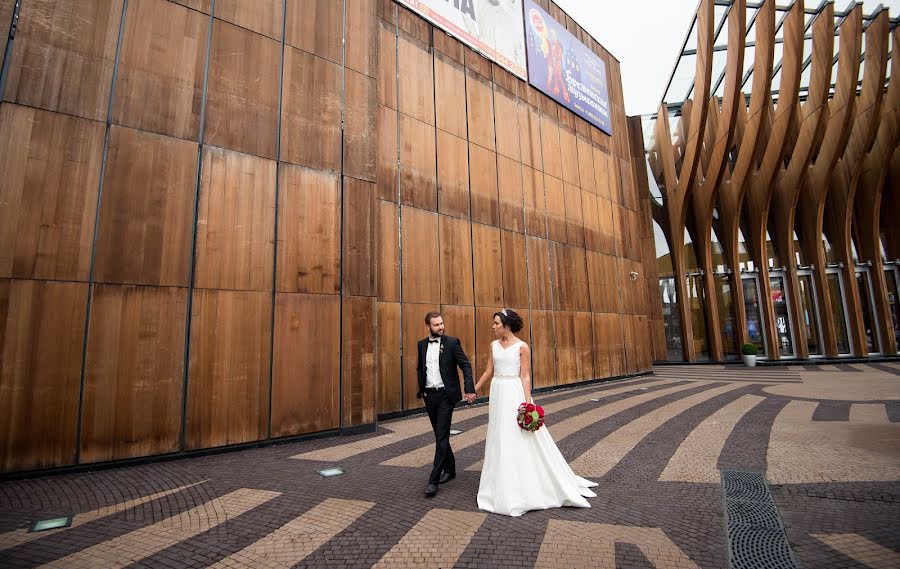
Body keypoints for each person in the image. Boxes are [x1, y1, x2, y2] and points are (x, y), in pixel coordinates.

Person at [473, 309, 597, 517]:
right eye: (493, 323)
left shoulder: (522, 347)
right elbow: (488, 371)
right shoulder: (493, 346)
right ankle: (499, 480)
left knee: (516, 434)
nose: (493, 327)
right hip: (498, 392)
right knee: (499, 435)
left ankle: (522, 481)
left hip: (514, 392)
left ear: (507, 325)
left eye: (496, 323)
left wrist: (528, 403)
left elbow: (525, 375)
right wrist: (473, 390)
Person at [417, 311, 476, 498]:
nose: (441, 327)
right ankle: (450, 469)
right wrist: (423, 390)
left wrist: (469, 388)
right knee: (439, 434)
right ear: (428, 327)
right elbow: (421, 367)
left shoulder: (452, 343)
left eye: (442, 323)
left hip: (445, 396)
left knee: (441, 435)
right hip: (430, 395)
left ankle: (433, 480)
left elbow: (465, 365)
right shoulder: (421, 345)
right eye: (436, 325)